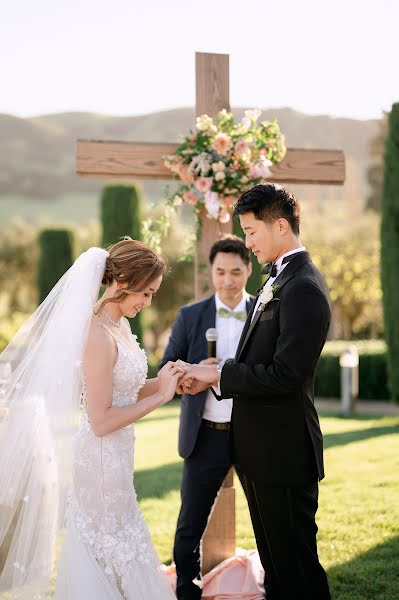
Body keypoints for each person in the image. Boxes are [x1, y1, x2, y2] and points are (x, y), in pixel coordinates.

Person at [0, 239, 182, 600]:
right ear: (122, 281)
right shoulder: (96, 334)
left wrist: (163, 381)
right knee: (111, 546)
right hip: (99, 460)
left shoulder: (120, 326)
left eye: (151, 295)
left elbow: (124, 390)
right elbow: (100, 419)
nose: (147, 302)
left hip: (115, 456)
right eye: (144, 293)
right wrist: (162, 396)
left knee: (123, 542)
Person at [178, 184, 332, 600]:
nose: (247, 242)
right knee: (277, 570)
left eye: (251, 232)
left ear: (280, 226)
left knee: (296, 569)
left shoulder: (302, 287)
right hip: (263, 454)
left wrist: (220, 376)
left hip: (283, 454)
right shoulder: (279, 278)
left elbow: (285, 375)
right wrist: (216, 372)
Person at [161, 235, 254, 600]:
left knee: (269, 523)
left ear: (249, 269)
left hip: (254, 433)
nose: (228, 280)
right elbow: (165, 368)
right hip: (205, 435)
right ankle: (188, 593)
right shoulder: (190, 316)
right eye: (220, 272)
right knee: (188, 529)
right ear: (211, 272)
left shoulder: (265, 313)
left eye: (236, 271)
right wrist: (194, 372)